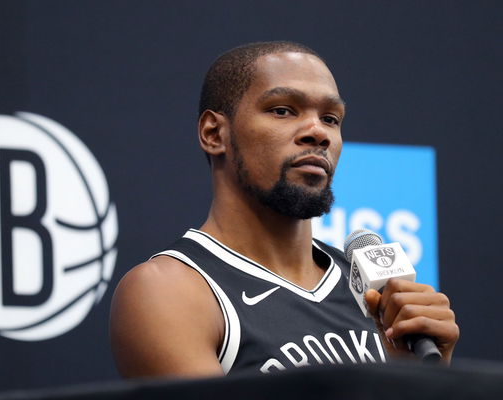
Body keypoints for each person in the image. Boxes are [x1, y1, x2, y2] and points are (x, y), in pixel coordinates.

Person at [109, 41, 459, 378]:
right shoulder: (170, 290)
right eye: (283, 110)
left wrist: (417, 376)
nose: (317, 132)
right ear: (214, 133)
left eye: (331, 118)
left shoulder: (372, 294)